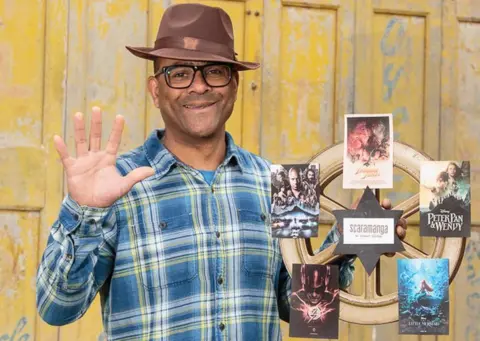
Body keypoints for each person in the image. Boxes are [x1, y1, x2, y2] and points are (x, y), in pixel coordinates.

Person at [35, 3, 408, 340]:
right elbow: (56, 309)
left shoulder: (283, 184)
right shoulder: (115, 185)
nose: (198, 86)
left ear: (233, 85)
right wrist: (85, 212)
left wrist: (349, 242)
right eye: (178, 73)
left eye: (214, 71)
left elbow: (299, 308)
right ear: (155, 90)